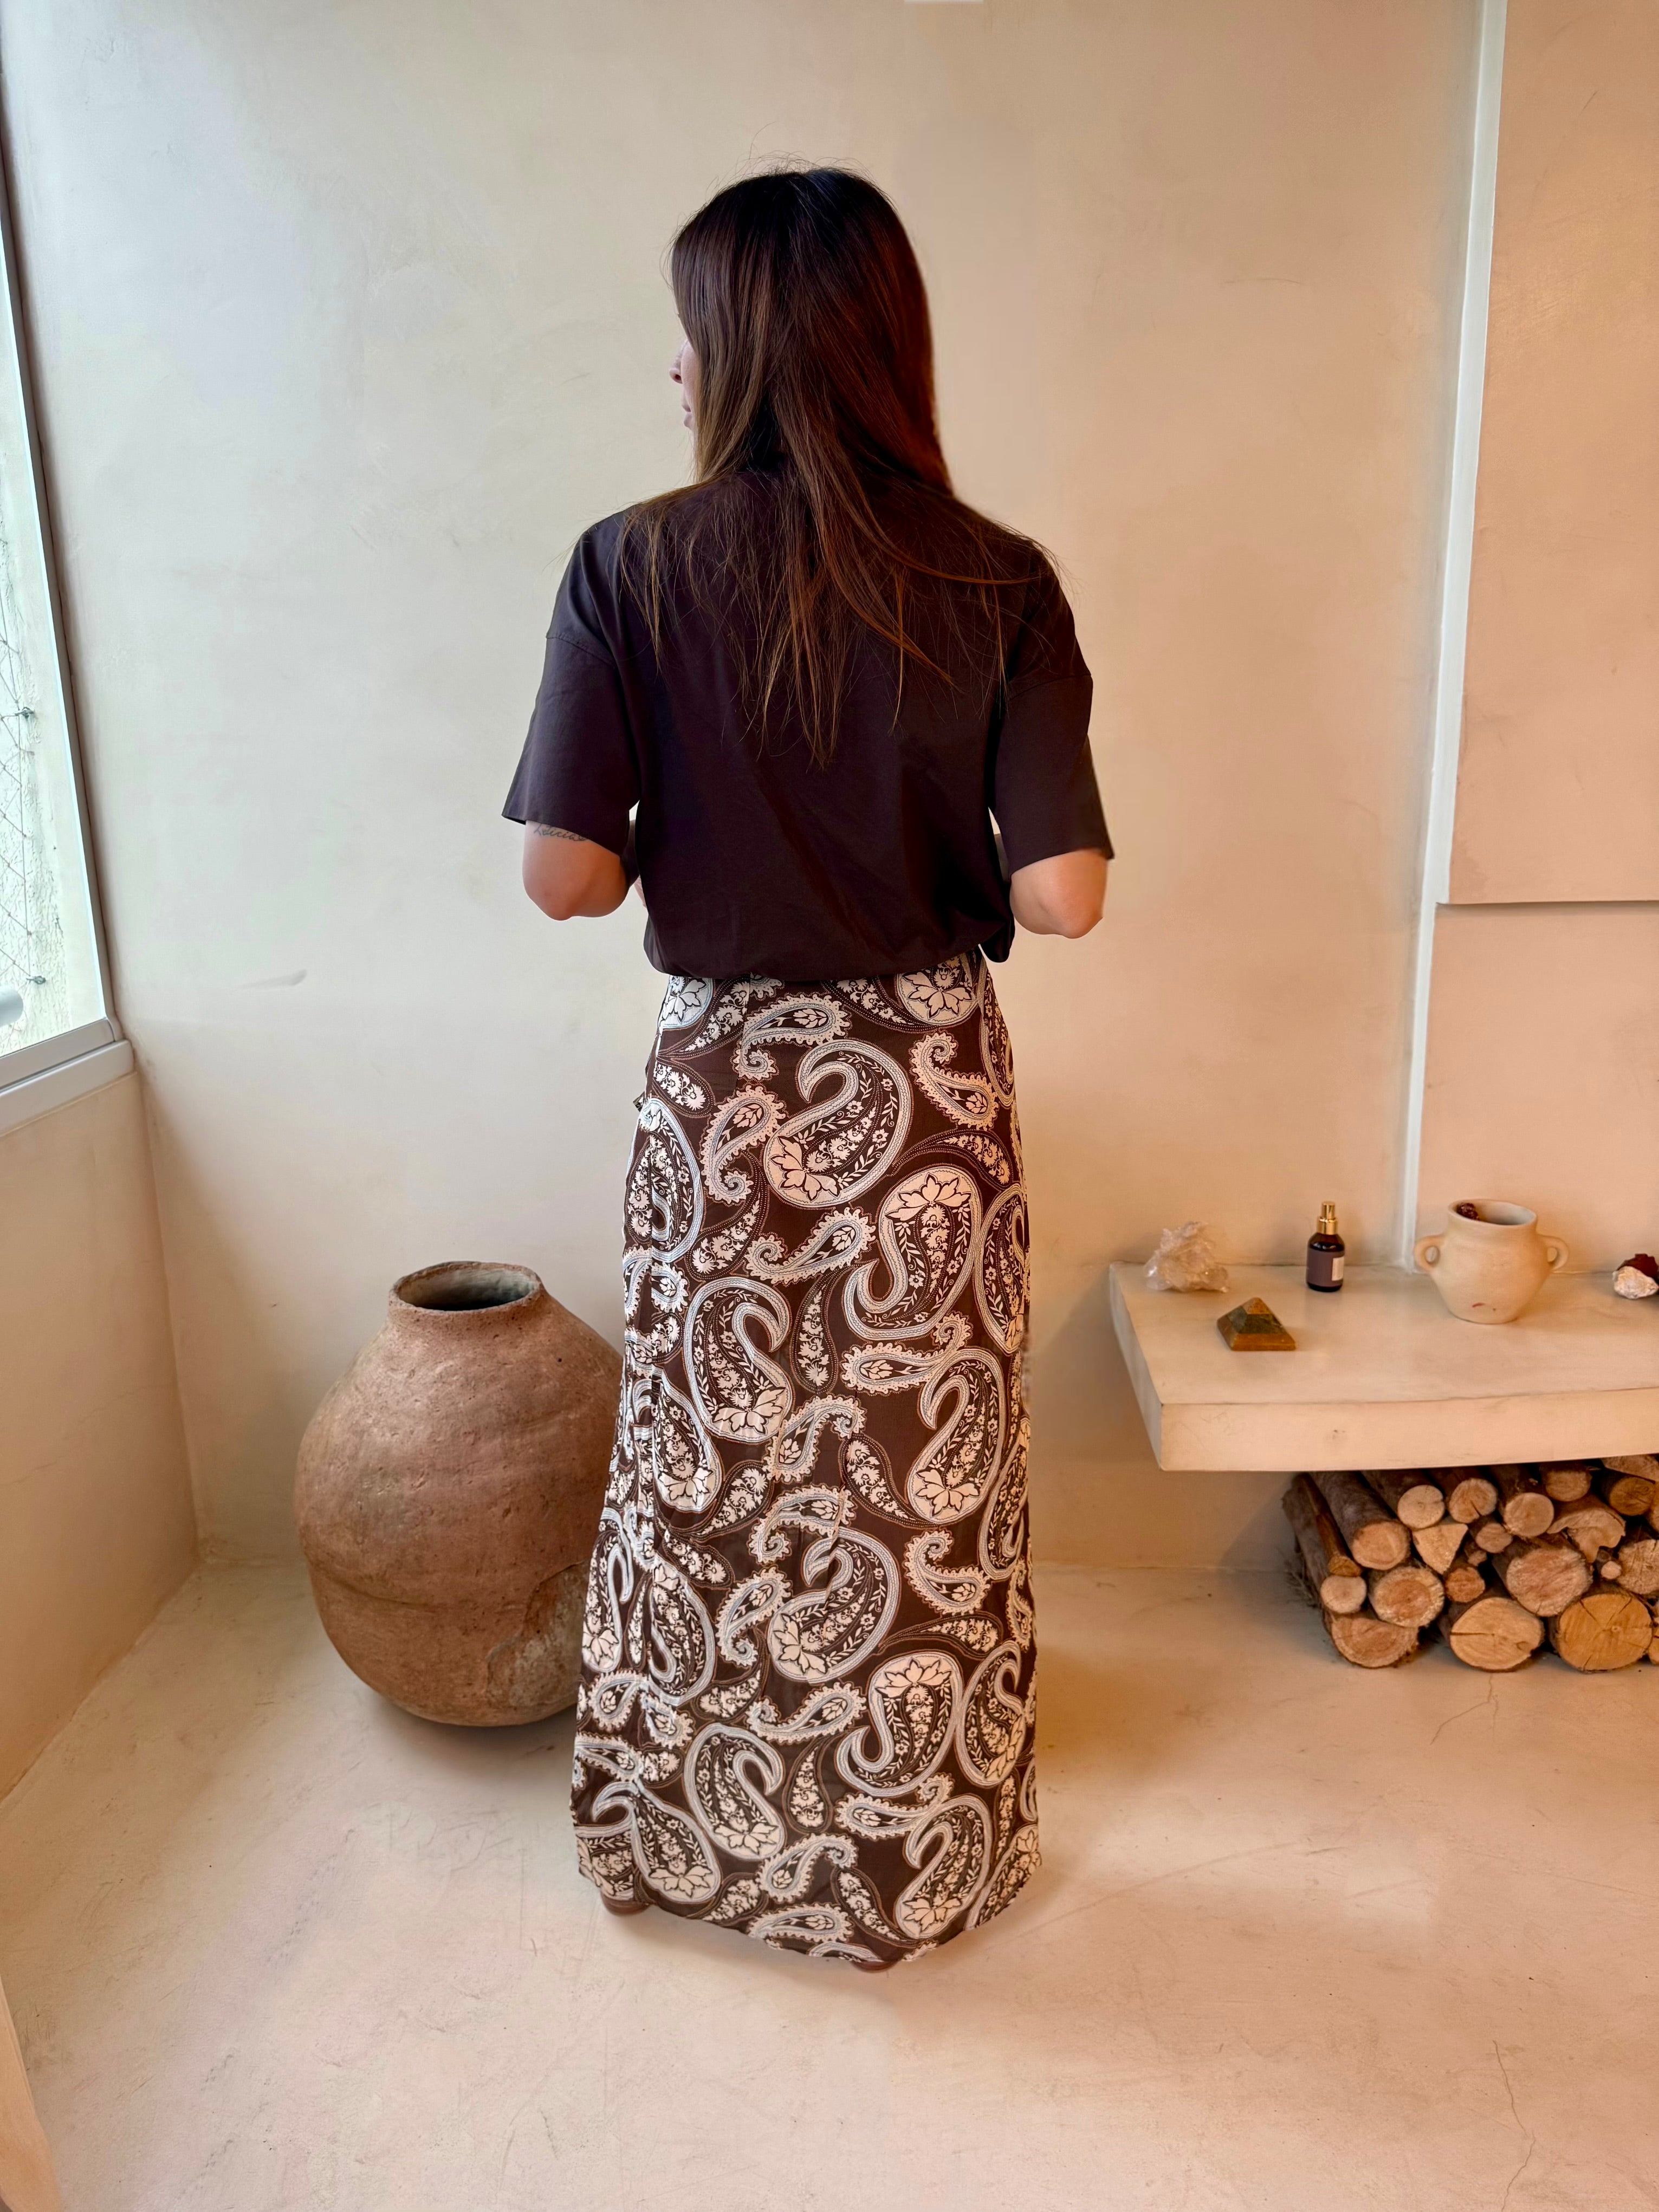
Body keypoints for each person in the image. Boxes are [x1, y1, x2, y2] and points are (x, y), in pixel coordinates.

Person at [504, 167, 1109, 1970]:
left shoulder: (627, 564)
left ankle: (703, 1847)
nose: (675, 370)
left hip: (723, 1092)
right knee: (922, 1481)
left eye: (689, 334)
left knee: (709, 1465)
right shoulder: (999, 577)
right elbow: (1064, 894)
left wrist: (688, 823)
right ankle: (912, 1861)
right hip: (927, 1093)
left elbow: (561, 877)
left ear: (745, 350)